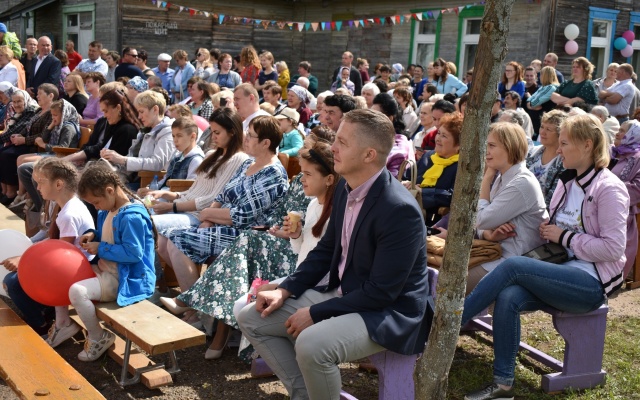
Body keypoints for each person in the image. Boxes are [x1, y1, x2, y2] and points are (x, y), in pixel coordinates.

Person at [236, 109, 431, 399]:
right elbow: (326, 251)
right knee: (252, 317)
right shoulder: (345, 188)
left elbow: (382, 293)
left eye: (342, 142)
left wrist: (315, 313)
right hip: (349, 293)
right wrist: (285, 290)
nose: (333, 148)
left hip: (388, 313)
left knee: (312, 345)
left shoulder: (398, 209)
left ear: (369, 155)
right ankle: (304, 394)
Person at [461, 114, 627, 400]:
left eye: (564, 143)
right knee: (509, 296)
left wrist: (563, 236)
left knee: (513, 266)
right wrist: (546, 227)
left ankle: (444, 326)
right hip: (560, 270)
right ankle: (503, 385)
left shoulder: (609, 188)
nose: (558, 150)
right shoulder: (567, 182)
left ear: (587, 145)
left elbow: (613, 248)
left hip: (590, 284)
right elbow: (560, 226)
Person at [160, 115, 289, 325]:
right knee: (166, 239)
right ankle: (196, 306)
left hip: (250, 236)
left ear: (266, 143)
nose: (245, 138)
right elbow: (222, 195)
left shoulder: (273, 174)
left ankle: (193, 307)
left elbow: (243, 216)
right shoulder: (249, 163)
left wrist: (207, 214)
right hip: (226, 226)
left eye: (251, 136)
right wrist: (208, 218)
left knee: (176, 240)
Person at [45, 162, 156, 362]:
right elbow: (106, 233)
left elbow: (134, 254)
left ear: (110, 191)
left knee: (77, 292)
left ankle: (98, 337)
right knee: (61, 277)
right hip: (106, 271)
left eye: (96, 202)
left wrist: (100, 247)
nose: (95, 207)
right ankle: (63, 324)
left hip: (126, 279)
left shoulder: (132, 217)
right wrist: (92, 234)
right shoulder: (107, 210)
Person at [2, 158, 94, 335]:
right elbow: (54, 244)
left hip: (75, 273)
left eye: (41, 183)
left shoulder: (69, 214)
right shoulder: (65, 206)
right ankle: (46, 311)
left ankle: (41, 323)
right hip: (68, 267)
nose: (37, 188)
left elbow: (60, 254)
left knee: (12, 282)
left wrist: (24, 260)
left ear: (58, 184)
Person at [148, 107, 248, 235]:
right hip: (181, 208)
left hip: (195, 215)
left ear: (232, 132)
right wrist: (167, 194)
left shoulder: (238, 158)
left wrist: (172, 206)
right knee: (139, 213)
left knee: (145, 223)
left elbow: (213, 198)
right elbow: (193, 191)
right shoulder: (211, 155)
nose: (213, 137)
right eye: (212, 132)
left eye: (217, 133)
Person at [101, 90, 174, 187]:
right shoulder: (145, 131)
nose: (139, 117)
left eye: (141, 112)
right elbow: (134, 158)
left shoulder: (167, 132)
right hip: (136, 179)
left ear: (155, 110)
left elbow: (157, 163)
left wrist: (123, 159)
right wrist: (113, 160)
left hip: (151, 184)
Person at [408, 112, 462, 225]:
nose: (438, 139)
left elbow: (454, 196)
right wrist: (407, 183)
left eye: (444, 136)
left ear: (458, 145)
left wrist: (423, 192)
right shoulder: (428, 156)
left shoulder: (461, 166)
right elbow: (408, 175)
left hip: (435, 222)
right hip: (410, 210)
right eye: (438, 133)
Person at [140, 117, 204, 193]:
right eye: (173, 136)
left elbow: (189, 189)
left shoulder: (196, 160)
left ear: (192, 136)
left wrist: (162, 194)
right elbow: (165, 180)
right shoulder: (177, 157)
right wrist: (150, 189)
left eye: (179, 136)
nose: (175, 140)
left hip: (173, 198)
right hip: (163, 194)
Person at [611, 120, 640, 279]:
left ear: (632, 135)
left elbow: (638, 188)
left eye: (622, 131)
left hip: (621, 211)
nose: (617, 133)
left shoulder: (637, 158)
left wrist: (607, 190)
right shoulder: (611, 151)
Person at [0, 89, 40, 205]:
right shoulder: (19, 113)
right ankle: (4, 190)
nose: (16, 104)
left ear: (26, 100)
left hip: (29, 145)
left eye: (19, 101)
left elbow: (17, 130)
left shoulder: (31, 111)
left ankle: (11, 192)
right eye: (14, 102)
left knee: (6, 155)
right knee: (2, 151)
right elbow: (12, 130)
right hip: (18, 141)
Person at [526, 109, 567, 207]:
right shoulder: (531, 153)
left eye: (548, 129)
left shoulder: (564, 162)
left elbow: (552, 199)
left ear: (560, 134)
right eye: (542, 127)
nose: (542, 132)